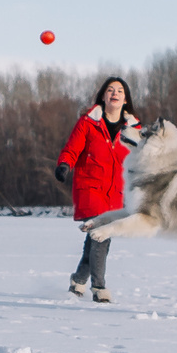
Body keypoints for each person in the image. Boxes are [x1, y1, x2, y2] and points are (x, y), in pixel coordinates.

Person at [55, 77, 138, 301]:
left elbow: (143, 158)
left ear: (125, 98)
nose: (115, 93)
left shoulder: (134, 129)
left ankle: (78, 280)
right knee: (102, 236)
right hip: (91, 187)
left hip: (117, 192)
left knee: (94, 238)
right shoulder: (88, 123)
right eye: (110, 90)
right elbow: (72, 149)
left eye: (120, 90)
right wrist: (64, 165)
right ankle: (99, 287)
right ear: (103, 96)